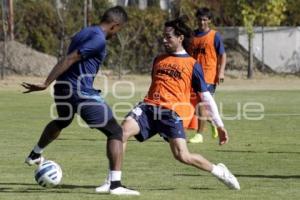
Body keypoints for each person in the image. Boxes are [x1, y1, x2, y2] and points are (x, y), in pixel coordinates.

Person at [96, 16, 240, 192]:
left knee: (182, 155)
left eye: (168, 36)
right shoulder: (159, 59)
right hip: (148, 108)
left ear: (180, 38)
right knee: (120, 133)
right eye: (163, 36)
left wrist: (219, 125)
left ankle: (219, 171)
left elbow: (206, 97)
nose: (164, 40)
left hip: (171, 113)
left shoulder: (192, 64)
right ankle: (113, 182)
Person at [21, 6, 139, 196]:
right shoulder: (99, 39)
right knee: (115, 131)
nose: (117, 35)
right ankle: (115, 185)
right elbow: (70, 58)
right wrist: (45, 83)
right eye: (119, 30)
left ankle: (35, 154)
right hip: (79, 92)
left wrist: (53, 83)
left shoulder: (85, 31)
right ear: (115, 25)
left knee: (63, 120)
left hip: (63, 88)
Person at [188, 7, 227, 144]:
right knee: (193, 105)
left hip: (209, 75)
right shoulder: (192, 35)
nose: (202, 22)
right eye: (200, 19)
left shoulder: (214, 35)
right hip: (192, 75)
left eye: (205, 20)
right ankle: (213, 123)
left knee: (201, 105)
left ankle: (199, 135)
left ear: (209, 20)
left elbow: (222, 55)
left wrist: (221, 71)